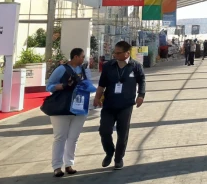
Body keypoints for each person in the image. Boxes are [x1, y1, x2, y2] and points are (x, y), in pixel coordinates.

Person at [94, 41, 146, 170]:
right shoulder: (108, 66)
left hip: (126, 105)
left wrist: (141, 95)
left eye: (118, 53)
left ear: (127, 53)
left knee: (122, 133)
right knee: (104, 131)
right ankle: (109, 152)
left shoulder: (136, 66)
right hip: (109, 104)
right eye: (114, 52)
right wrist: (97, 97)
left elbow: (142, 80)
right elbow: (101, 84)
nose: (115, 55)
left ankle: (118, 159)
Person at [45, 48, 88, 177]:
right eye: (82, 56)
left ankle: (69, 164)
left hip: (80, 107)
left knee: (73, 137)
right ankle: (57, 166)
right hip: (62, 107)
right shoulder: (61, 69)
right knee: (60, 137)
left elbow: (89, 84)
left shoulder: (84, 70)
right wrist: (63, 86)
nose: (83, 59)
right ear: (75, 57)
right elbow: (49, 86)